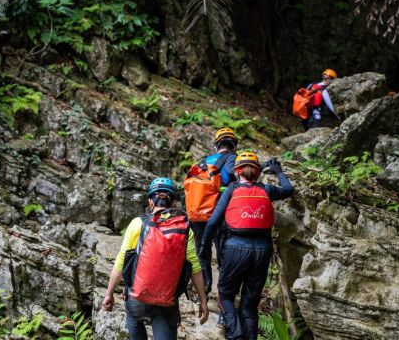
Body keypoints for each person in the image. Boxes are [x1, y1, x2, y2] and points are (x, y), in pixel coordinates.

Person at [198, 152, 294, 340]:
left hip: (235, 248)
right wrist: (278, 172)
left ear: (237, 172)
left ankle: (235, 335)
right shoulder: (267, 189)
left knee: (225, 296)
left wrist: (204, 247)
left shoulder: (232, 190)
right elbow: (289, 189)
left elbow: (212, 222)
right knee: (250, 305)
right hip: (262, 251)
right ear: (257, 173)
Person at [103, 177, 209, 340]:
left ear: (150, 202)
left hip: (137, 299)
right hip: (167, 300)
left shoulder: (137, 224)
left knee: (133, 317)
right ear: (174, 203)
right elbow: (195, 268)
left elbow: (121, 261)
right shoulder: (184, 230)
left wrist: (109, 294)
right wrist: (203, 300)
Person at [187, 128, 238, 295]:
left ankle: (205, 289)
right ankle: (224, 294)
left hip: (200, 213)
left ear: (216, 145)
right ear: (234, 146)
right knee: (223, 254)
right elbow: (234, 174)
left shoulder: (204, 161)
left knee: (203, 253)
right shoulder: (232, 159)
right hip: (221, 213)